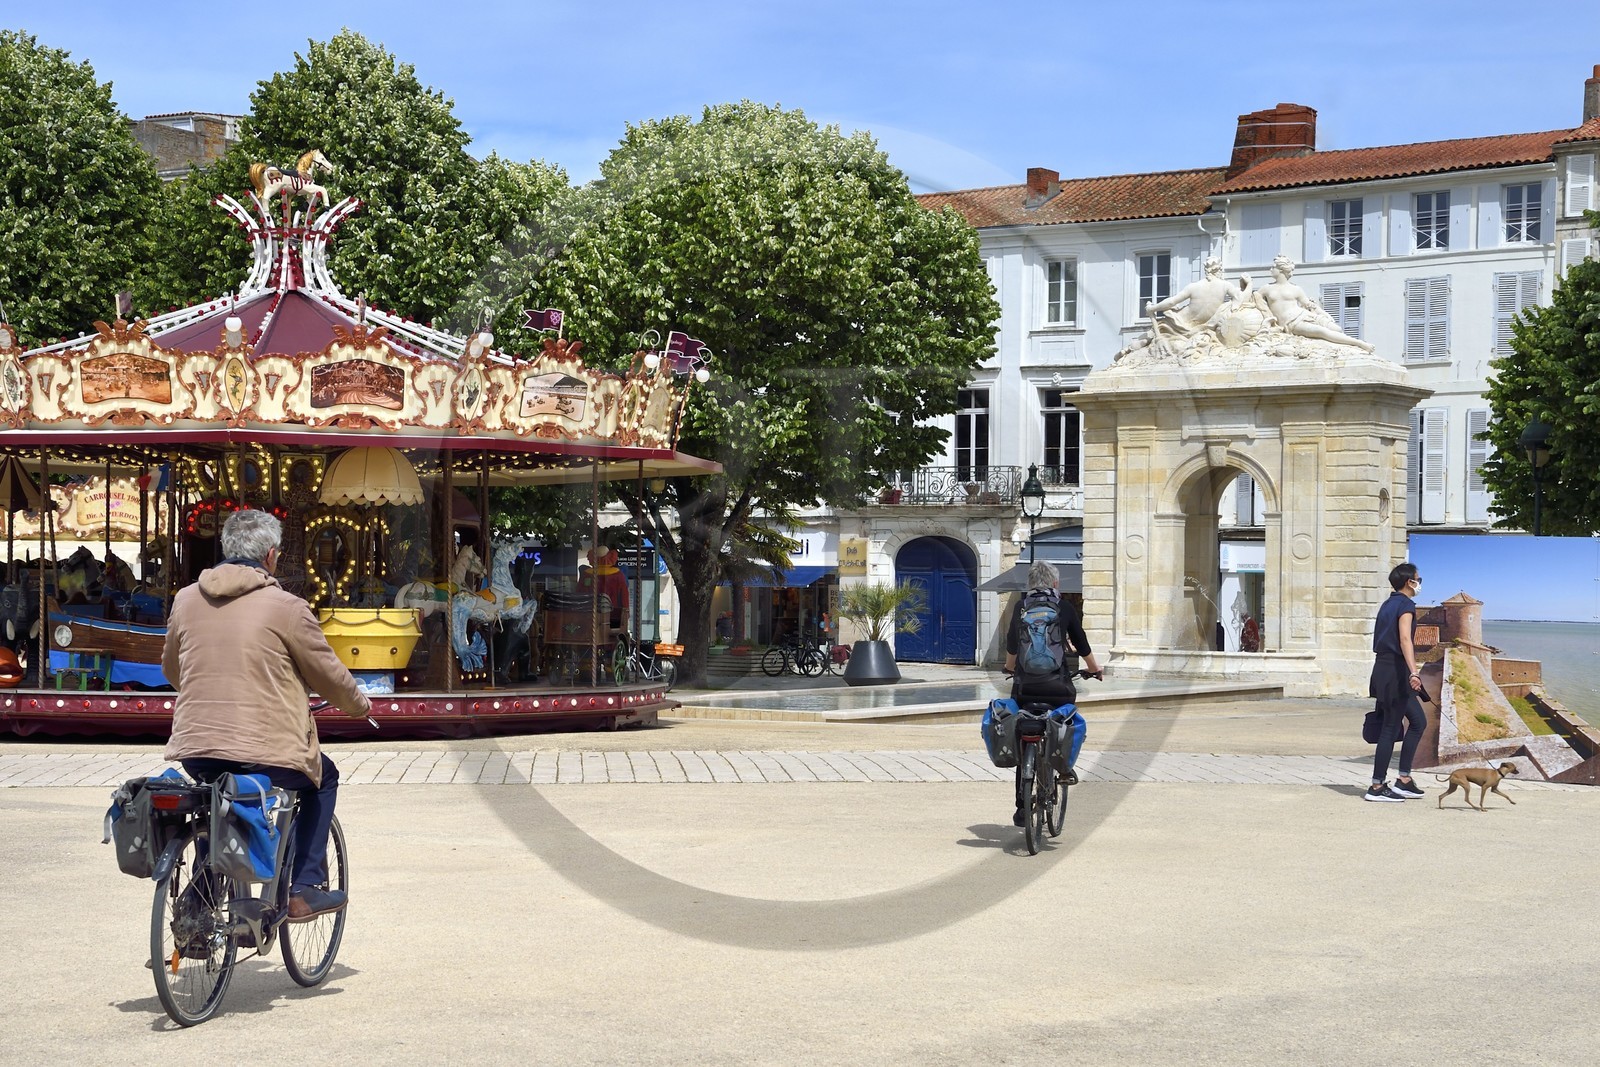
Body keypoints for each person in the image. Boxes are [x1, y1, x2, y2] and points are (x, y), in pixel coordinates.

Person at [162, 509, 371, 919]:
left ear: (225, 549)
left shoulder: (185, 600)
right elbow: (328, 675)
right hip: (264, 751)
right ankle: (305, 887)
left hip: (195, 746)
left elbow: (173, 669)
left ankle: (199, 902)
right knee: (322, 779)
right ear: (271, 556)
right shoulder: (287, 607)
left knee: (216, 795)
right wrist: (359, 706)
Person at [1003, 560, 1103, 825]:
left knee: (1023, 737)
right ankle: (1065, 768)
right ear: (1055, 584)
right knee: (1067, 720)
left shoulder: (1020, 607)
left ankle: (1022, 806)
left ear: (1030, 584)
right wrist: (1095, 669)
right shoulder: (1064, 607)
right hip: (1057, 687)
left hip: (1024, 688)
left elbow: (1012, 645)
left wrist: (1009, 667)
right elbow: (1081, 643)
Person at [1366, 563, 1428, 802]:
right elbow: (1405, 639)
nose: (1419, 582)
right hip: (1395, 670)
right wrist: (1414, 672)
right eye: (1417, 579)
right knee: (1390, 728)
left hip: (1385, 669)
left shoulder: (1387, 604)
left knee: (1418, 722)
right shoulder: (1406, 605)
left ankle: (1403, 780)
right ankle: (1377, 787)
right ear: (1408, 582)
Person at [1254, 254, 1376, 352]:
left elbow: (1309, 305)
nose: (1270, 269)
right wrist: (1248, 285)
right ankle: (1360, 343)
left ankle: (1354, 344)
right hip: (1290, 323)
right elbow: (1251, 303)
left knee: (1337, 329)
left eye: (1273, 267)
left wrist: (1324, 314)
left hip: (1303, 314)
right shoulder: (1266, 288)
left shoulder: (1296, 289)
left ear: (1281, 270)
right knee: (1322, 332)